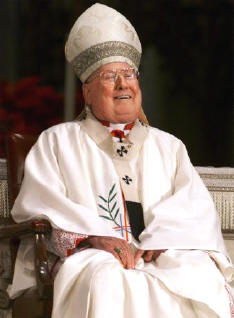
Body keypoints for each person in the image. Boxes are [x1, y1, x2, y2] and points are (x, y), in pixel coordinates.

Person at [8, 3, 234, 318]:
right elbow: (41, 202)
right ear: (86, 92)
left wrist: (165, 239)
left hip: (160, 249)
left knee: (197, 276)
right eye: (110, 76)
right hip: (93, 253)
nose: (122, 84)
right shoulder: (57, 141)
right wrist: (92, 236)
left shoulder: (169, 146)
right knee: (105, 280)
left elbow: (193, 205)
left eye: (129, 74)